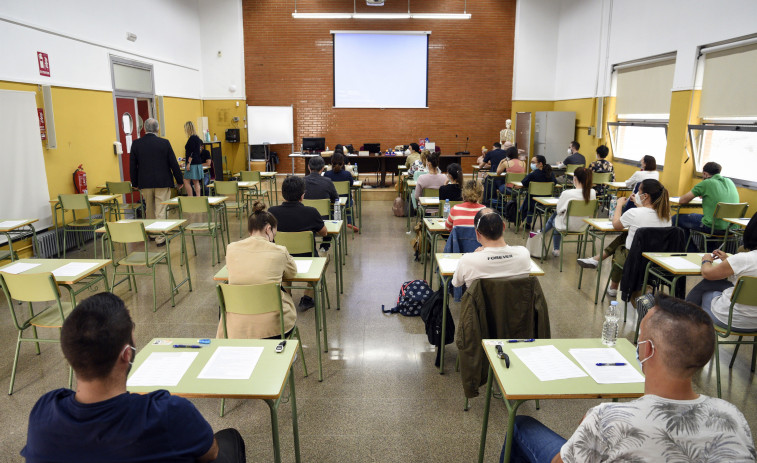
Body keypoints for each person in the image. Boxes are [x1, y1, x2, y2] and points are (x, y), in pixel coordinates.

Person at [501, 293, 756, 463]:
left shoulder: (607, 419)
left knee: (520, 424)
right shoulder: (733, 417)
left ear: (647, 349)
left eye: (640, 336)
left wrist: (588, 430)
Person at [21, 292, 246, 463]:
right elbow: (211, 454)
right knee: (230, 439)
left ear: (69, 353)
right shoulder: (169, 413)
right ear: (127, 354)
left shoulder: (43, 413)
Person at [577, 179, 671, 297]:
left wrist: (619, 205)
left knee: (619, 250)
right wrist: (639, 205)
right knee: (626, 235)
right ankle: (596, 260)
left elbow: (616, 224)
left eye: (639, 191)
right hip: (656, 260)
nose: (637, 194)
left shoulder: (634, 213)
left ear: (645, 196)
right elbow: (647, 215)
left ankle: (613, 286)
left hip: (635, 259)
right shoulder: (667, 216)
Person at [218, 201, 297, 339]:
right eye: (274, 233)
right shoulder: (279, 251)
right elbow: (292, 273)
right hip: (274, 327)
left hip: (236, 326)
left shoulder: (231, 248)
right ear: (268, 229)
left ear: (250, 231)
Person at [687, 212, 757, 331]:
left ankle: (685, 321)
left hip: (732, 320)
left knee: (707, 286)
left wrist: (706, 261)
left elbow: (707, 274)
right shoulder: (742, 260)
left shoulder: (743, 259)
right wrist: (730, 261)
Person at [269, 175, 328, 311]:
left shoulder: (272, 212)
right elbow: (324, 233)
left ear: (283, 194)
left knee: (286, 256)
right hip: (309, 259)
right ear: (302, 195)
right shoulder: (311, 212)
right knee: (323, 260)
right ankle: (307, 298)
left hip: (281, 259)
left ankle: (287, 296)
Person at [129, 117, 183, 247]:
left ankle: (152, 233)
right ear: (157, 129)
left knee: (149, 209)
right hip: (163, 182)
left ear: (144, 129)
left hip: (145, 182)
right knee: (161, 209)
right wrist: (179, 180)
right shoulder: (164, 143)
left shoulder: (136, 144)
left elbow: (132, 165)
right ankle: (161, 237)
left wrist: (134, 183)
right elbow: (173, 163)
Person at [451, 208, 531, 288]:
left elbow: (456, 283)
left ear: (477, 233)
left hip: (481, 301)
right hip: (515, 300)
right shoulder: (523, 253)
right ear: (503, 226)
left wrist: (475, 256)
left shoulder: (467, 261)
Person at [674, 161, 740, 251]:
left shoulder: (706, 183)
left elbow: (682, 200)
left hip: (714, 227)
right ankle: (709, 253)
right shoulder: (730, 182)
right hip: (732, 227)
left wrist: (700, 192)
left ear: (705, 174)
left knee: (676, 218)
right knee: (710, 219)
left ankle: (692, 251)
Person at [543, 167, 596, 257]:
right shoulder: (592, 192)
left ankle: (549, 241)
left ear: (574, 178)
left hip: (566, 226)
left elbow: (559, 210)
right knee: (555, 216)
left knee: (555, 217)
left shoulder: (567, 193)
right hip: (584, 226)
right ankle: (542, 233)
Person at [304, 156, 338, 254]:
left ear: (308, 167)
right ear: (323, 168)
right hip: (324, 220)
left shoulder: (301, 181)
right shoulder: (327, 181)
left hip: (305, 219)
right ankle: (325, 245)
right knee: (332, 214)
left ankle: (311, 246)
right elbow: (336, 199)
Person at [519, 155, 557, 229]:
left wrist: (531, 173)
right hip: (546, 202)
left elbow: (523, 182)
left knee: (529, 198)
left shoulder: (534, 174)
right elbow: (555, 183)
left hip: (534, 203)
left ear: (540, 164)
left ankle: (527, 222)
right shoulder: (550, 173)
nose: (531, 164)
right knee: (529, 198)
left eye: (533, 162)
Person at [324, 152, 357, 231]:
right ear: (343, 163)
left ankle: (333, 221)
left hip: (332, 202)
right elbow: (351, 184)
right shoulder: (347, 174)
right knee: (349, 202)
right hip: (346, 201)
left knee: (332, 205)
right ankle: (350, 222)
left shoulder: (327, 174)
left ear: (331, 163)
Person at [182, 121, 207, 197]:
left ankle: (191, 198)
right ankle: (198, 198)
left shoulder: (192, 138)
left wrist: (188, 163)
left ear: (188, 129)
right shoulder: (197, 138)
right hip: (197, 162)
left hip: (192, 163)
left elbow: (192, 152)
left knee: (186, 181)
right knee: (196, 182)